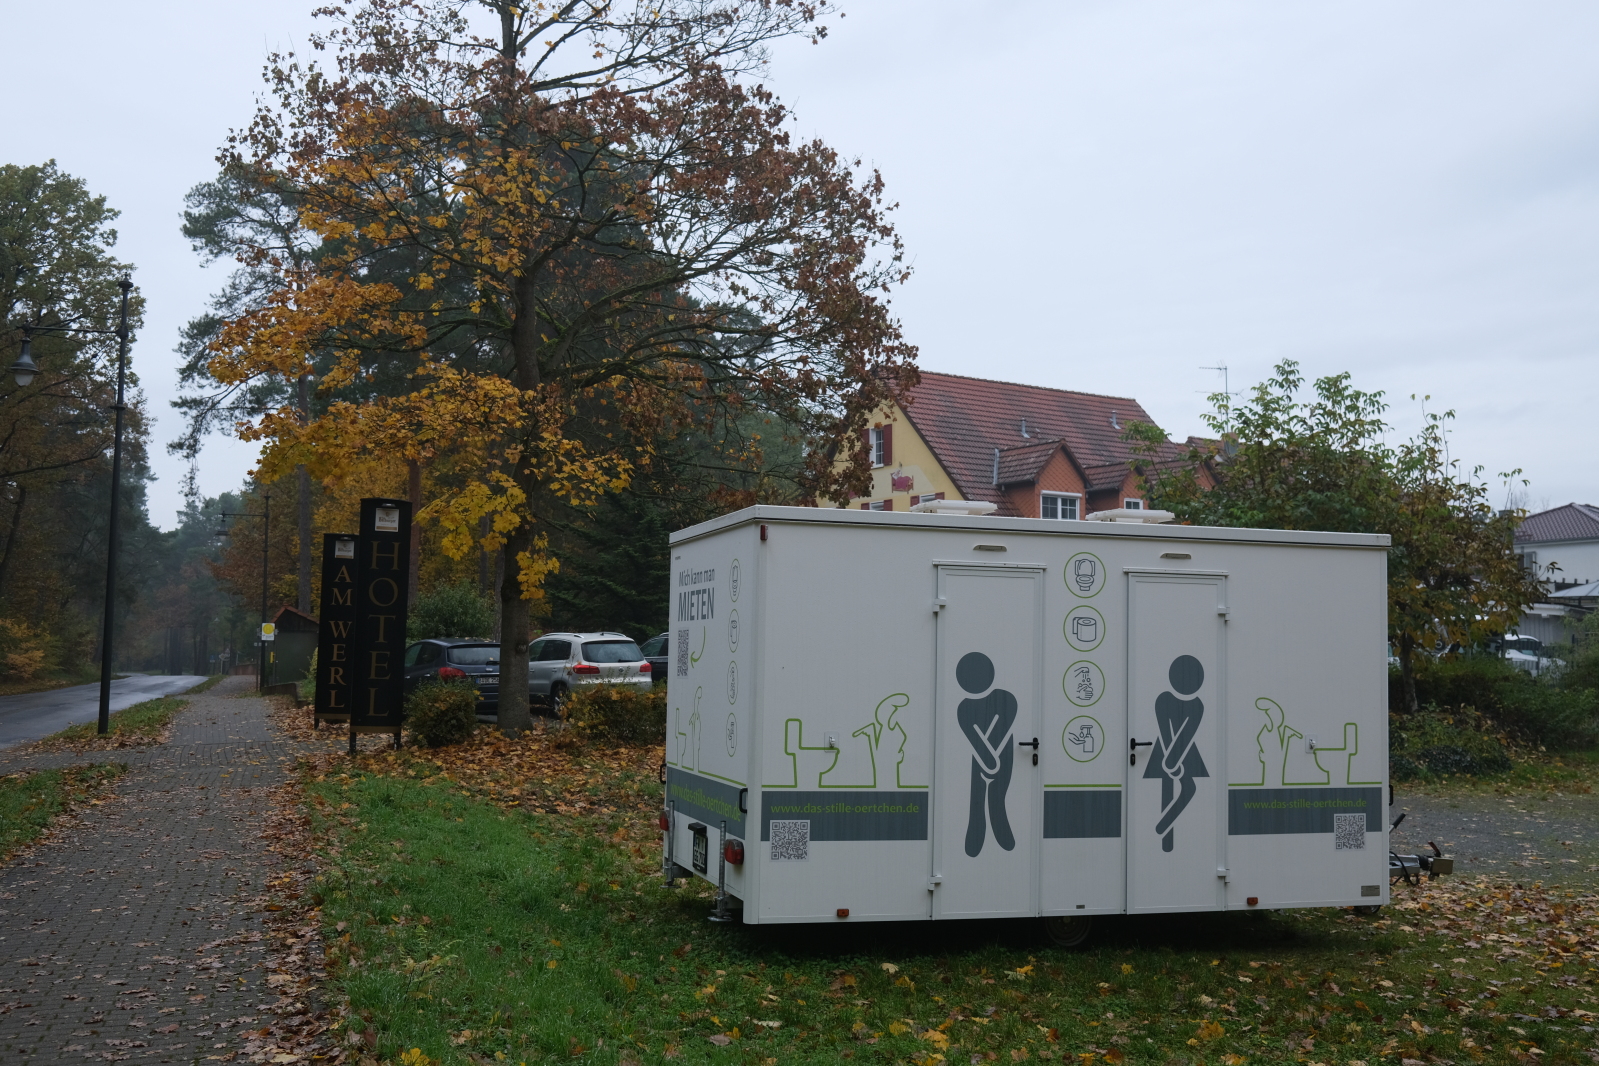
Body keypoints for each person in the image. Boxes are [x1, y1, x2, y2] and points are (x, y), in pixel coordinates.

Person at [955, 652, 1017, 857]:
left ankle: (1003, 843)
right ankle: (975, 846)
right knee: (977, 802)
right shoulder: (963, 708)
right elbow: (977, 740)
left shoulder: (1006, 698)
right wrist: (988, 760)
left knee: (997, 800)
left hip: (1000, 756)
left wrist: (989, 760)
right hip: (984, 759)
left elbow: (999, 730)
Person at [1146, 654, 1208, 852]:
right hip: (1169, 754)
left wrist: (1172, 761)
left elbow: (1185, 737)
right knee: (1178, 787)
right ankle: (1165, 839)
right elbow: (1168, 734)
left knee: (1183, 787)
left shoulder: (1194, 705)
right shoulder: (1167, 700)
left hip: (1178, 754)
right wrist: (1171, 761)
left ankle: (1164, 834)